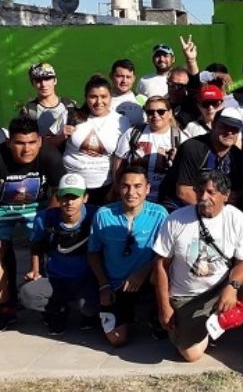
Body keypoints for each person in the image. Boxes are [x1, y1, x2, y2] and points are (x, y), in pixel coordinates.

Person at [153, 170, 243, 363]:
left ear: (226, 195)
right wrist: (164, 305)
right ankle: (208, 326)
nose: (204, 197)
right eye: (200, 191)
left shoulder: (237, 219)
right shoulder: (176, 219)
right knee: (191, 355)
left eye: (211, 192)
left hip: (222, 283)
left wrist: (233, 287)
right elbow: (161, 265)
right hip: (187, 295)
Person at [88, 165, 169, 346]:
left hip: (146, 280)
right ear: (118, 187)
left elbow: (166, 254)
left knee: (162, 271)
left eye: (137, 186)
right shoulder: (104, 214)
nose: (131, 192)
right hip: (116, 283)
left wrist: (143, 272)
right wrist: (104, 285)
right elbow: (93, 253)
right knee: (117, 340)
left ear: (147, 188)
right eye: (125, 186)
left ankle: (156, 315)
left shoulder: (160, 214)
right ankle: (121, 315)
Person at [0, 117, 65, 330]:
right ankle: (6, 306)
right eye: (19, 143)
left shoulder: (49, 155)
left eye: (31, 142)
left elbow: (59, 192)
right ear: (9, 142)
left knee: (47, 245)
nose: (26, 149)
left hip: (38, 207)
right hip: (2, 209)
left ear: (39, 141)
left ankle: (48, 303)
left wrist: (46, 221)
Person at [19, 173, 99, 335]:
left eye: (74, 197)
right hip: (56, 279)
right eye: (64, 197)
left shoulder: (97, 216)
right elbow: (37, 245)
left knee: (90, 306)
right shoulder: (45, 219)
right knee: (27, 294)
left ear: (85, 198)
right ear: (57, 197)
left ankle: (88, 315)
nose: (69, 202)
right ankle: (58, 310)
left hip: (86, 279)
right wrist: (36, 270)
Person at [62, 76, 131, 205]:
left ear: (111, 97)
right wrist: (61, 135)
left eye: (104, 96)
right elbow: (46, 144)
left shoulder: (122, 121)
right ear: (86, 97)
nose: (99, 102)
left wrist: (115, 188)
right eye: (93, 96)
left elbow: (122, 159)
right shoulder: (70, 115)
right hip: (71, 186)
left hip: (105, 187)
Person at [162, 108, 243, 211]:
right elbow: (183, 192)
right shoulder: (193, 148)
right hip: (179, 206)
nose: (229, 132)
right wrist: (214, 212)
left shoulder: (237, 156)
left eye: (235, 129)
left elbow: (235, 194)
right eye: (224, 126)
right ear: (213, 125)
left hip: (214, 209)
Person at [113, 96, 186, 201]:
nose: (155, 115)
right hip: (134, 196)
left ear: (170, 113)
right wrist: (117, 188)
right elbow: (119, 163)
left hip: (166, 197)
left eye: (161, 112)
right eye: (150, 112)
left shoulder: (180, 138)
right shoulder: (133, 133)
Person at [20, 62, 78, 148]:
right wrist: (59, 137)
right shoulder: (29, 110)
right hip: (43, 158)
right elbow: (26, 142)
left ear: (55, 81)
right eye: (38, 80)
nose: (43, 84)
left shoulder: (70, 105)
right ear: (33, 84)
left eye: (47, 79)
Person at [109, 59, 146, 127]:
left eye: (128, 77)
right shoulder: (101, 101)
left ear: (134, 78)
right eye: (120, 76)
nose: (124, 81)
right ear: (111, 76)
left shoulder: (144, 100)